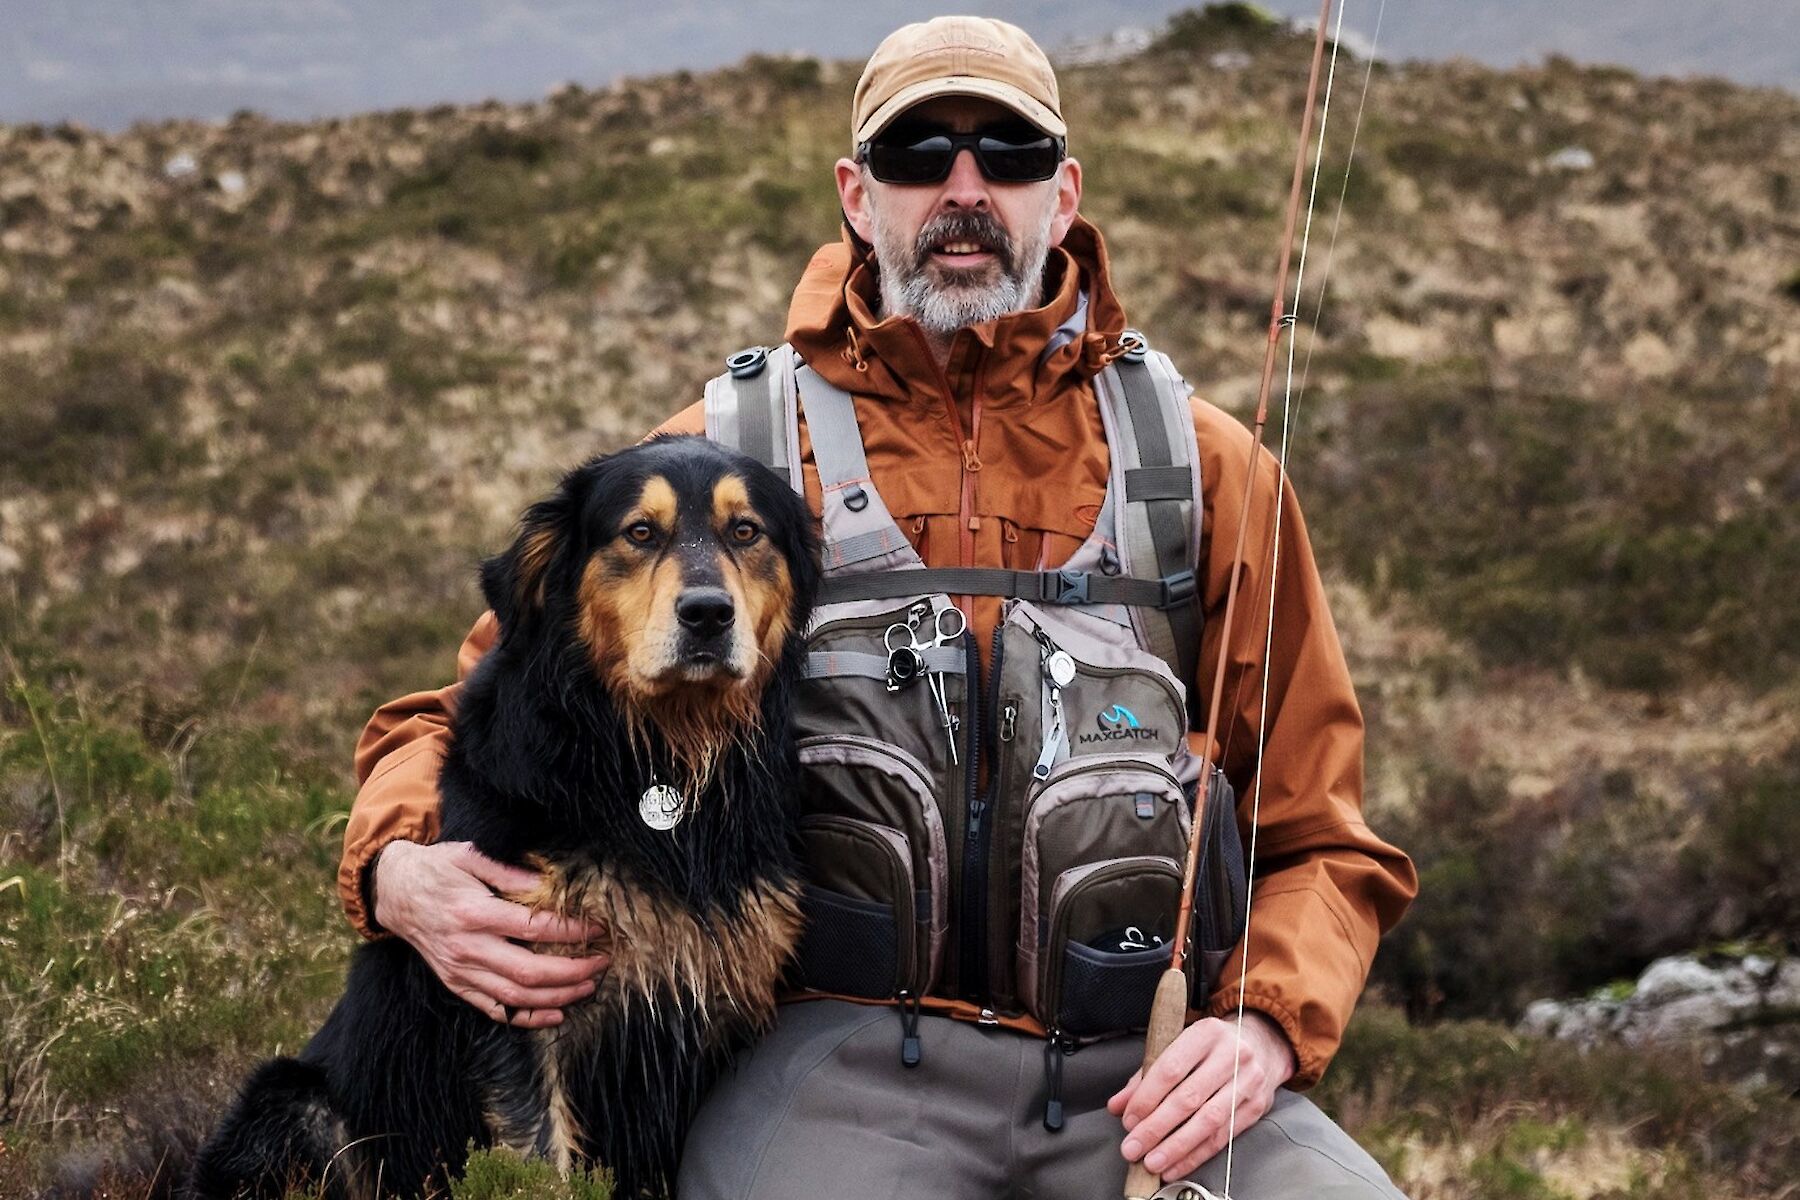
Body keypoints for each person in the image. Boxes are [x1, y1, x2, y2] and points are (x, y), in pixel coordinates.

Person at [340, 16, 1417, 1198]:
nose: (965, 189)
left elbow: (1321, 837)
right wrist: (400, 870)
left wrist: (1265, 1024)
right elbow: (464, 712)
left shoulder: (1212, 475)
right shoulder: (731, 460)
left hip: (1149, 1072)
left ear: (1064, 194)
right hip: (837, 1060)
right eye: (918, 154)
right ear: (859, 195)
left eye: (1008, 152)